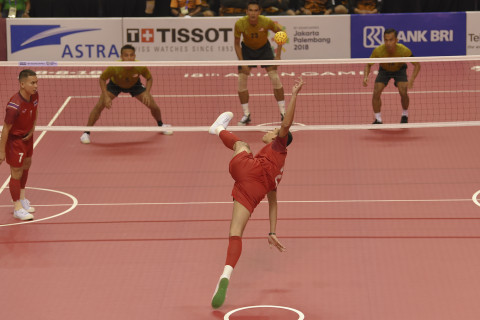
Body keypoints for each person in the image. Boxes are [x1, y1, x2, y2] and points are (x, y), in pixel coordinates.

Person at [209, 77, 304, 309]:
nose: (270, 130)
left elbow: (286, 124)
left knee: (242, 146)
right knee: (236, 233)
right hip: (255, 191)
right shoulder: (279, 169)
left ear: (277, 138)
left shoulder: (278, 145)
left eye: (272, 130)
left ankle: (218, 128)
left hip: (246, 170)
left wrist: (294, 95)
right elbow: (273, 202)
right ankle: (225, 276)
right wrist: (272, 231)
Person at [80, 44, 171, 144]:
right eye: (126, 55)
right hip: (115, 85)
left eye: (131, 55)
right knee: (99, 106)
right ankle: (86, 132)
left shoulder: (140, 66)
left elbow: (149, 78)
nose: (129, 58)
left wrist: (147, 93)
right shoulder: (114, 67)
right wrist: (105, 96)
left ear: (134, 56)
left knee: (154, 106)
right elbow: (102, 78)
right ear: (121, 57)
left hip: (134, 85)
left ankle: (161, 125)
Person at [235, 0, 286, 126]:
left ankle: (283, 113)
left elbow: (281, 33)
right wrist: (242, 62)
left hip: (264, 50)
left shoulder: (266, 22)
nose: (253, 13)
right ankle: (246, 115)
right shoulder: (240, 23)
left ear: (259, 12)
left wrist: (278, 55)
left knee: (275, 78)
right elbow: (236, 44)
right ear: (246, 12)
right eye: (250, 10)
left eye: (255, 10)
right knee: (241, 81)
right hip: (247, 50)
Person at [0, 69, 38, 221]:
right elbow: (5, 130)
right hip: (15, 141)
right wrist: (1, 152)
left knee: (27, 165)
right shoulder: (14, 105)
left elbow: (35, 111)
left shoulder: (34, 96)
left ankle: (22, 199)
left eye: (36, 82)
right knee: (16, 172)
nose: (35, 86)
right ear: (22, 84)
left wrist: (32, 129)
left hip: (28, 137)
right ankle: (17, 208)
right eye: (32, 83)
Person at [363, 28, 421, 124]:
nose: (388, 43)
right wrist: (365, 77)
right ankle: (378, 119)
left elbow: (417, 65)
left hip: (399, 69)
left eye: (391, 40)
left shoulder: (404, 50)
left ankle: (405, 115)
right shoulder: (378, 51)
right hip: (384, 70)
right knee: (376, 91)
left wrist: (411, 80)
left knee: (403, 91)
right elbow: (368, 64)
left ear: (396, 40)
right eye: (386, 40)